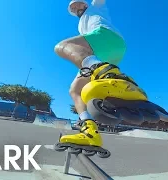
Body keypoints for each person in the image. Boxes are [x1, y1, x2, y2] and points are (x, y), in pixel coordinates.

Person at [54, 0, 134, 146]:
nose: (76, 7)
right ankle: (89, 130)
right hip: (101, 54)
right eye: (73, 7)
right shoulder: (80, 25)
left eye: (78, 4)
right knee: (75, 90)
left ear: (85, 4)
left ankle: (105, 72)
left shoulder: (96, 7)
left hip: (107, 37)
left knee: (63, 46)